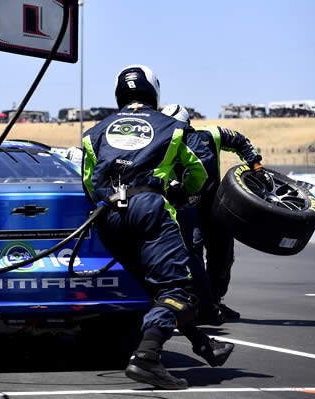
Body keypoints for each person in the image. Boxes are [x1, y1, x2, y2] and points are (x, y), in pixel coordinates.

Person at [81, 65, 234, 389]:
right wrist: (181, 191)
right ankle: (147, 357)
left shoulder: (94, 132)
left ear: (119, 94)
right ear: (154, 92)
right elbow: (202, 172)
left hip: (106, 217)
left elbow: (88, 181)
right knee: (178, 289)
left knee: (157, 291)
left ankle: (205, 345)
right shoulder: (173, 127)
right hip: (150, 210)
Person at [161, 103, 267, 320]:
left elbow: (240, 141)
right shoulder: (160, 145)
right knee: (194, 253)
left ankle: (214, 301)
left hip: (215, 205)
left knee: (224, 255)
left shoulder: (212, 134)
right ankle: (197, 303)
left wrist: (256, 166)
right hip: (184, 208)